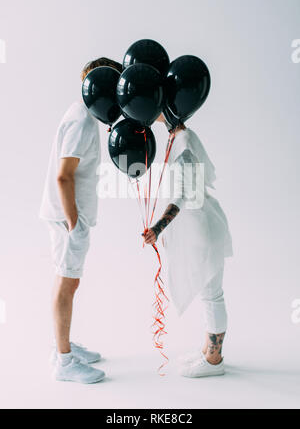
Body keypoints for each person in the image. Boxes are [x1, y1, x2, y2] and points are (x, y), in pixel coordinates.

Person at [40, 57, 122, 384]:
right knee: (66, 283)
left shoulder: (82, 115)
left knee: (70, 281)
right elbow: (63, 177)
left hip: (70, 217)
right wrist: (75, 225)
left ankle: (65, 346)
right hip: (66, 219)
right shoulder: (82, 123)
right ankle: (63, 360)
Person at [143, 114, 233, 378]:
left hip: (202, 229)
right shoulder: (179, 137)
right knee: (209, 293)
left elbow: (185, 193)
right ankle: (208, 350)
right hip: (200, 227)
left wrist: (158, 228)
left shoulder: (183, 140)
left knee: (212, 294)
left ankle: (214, 360)